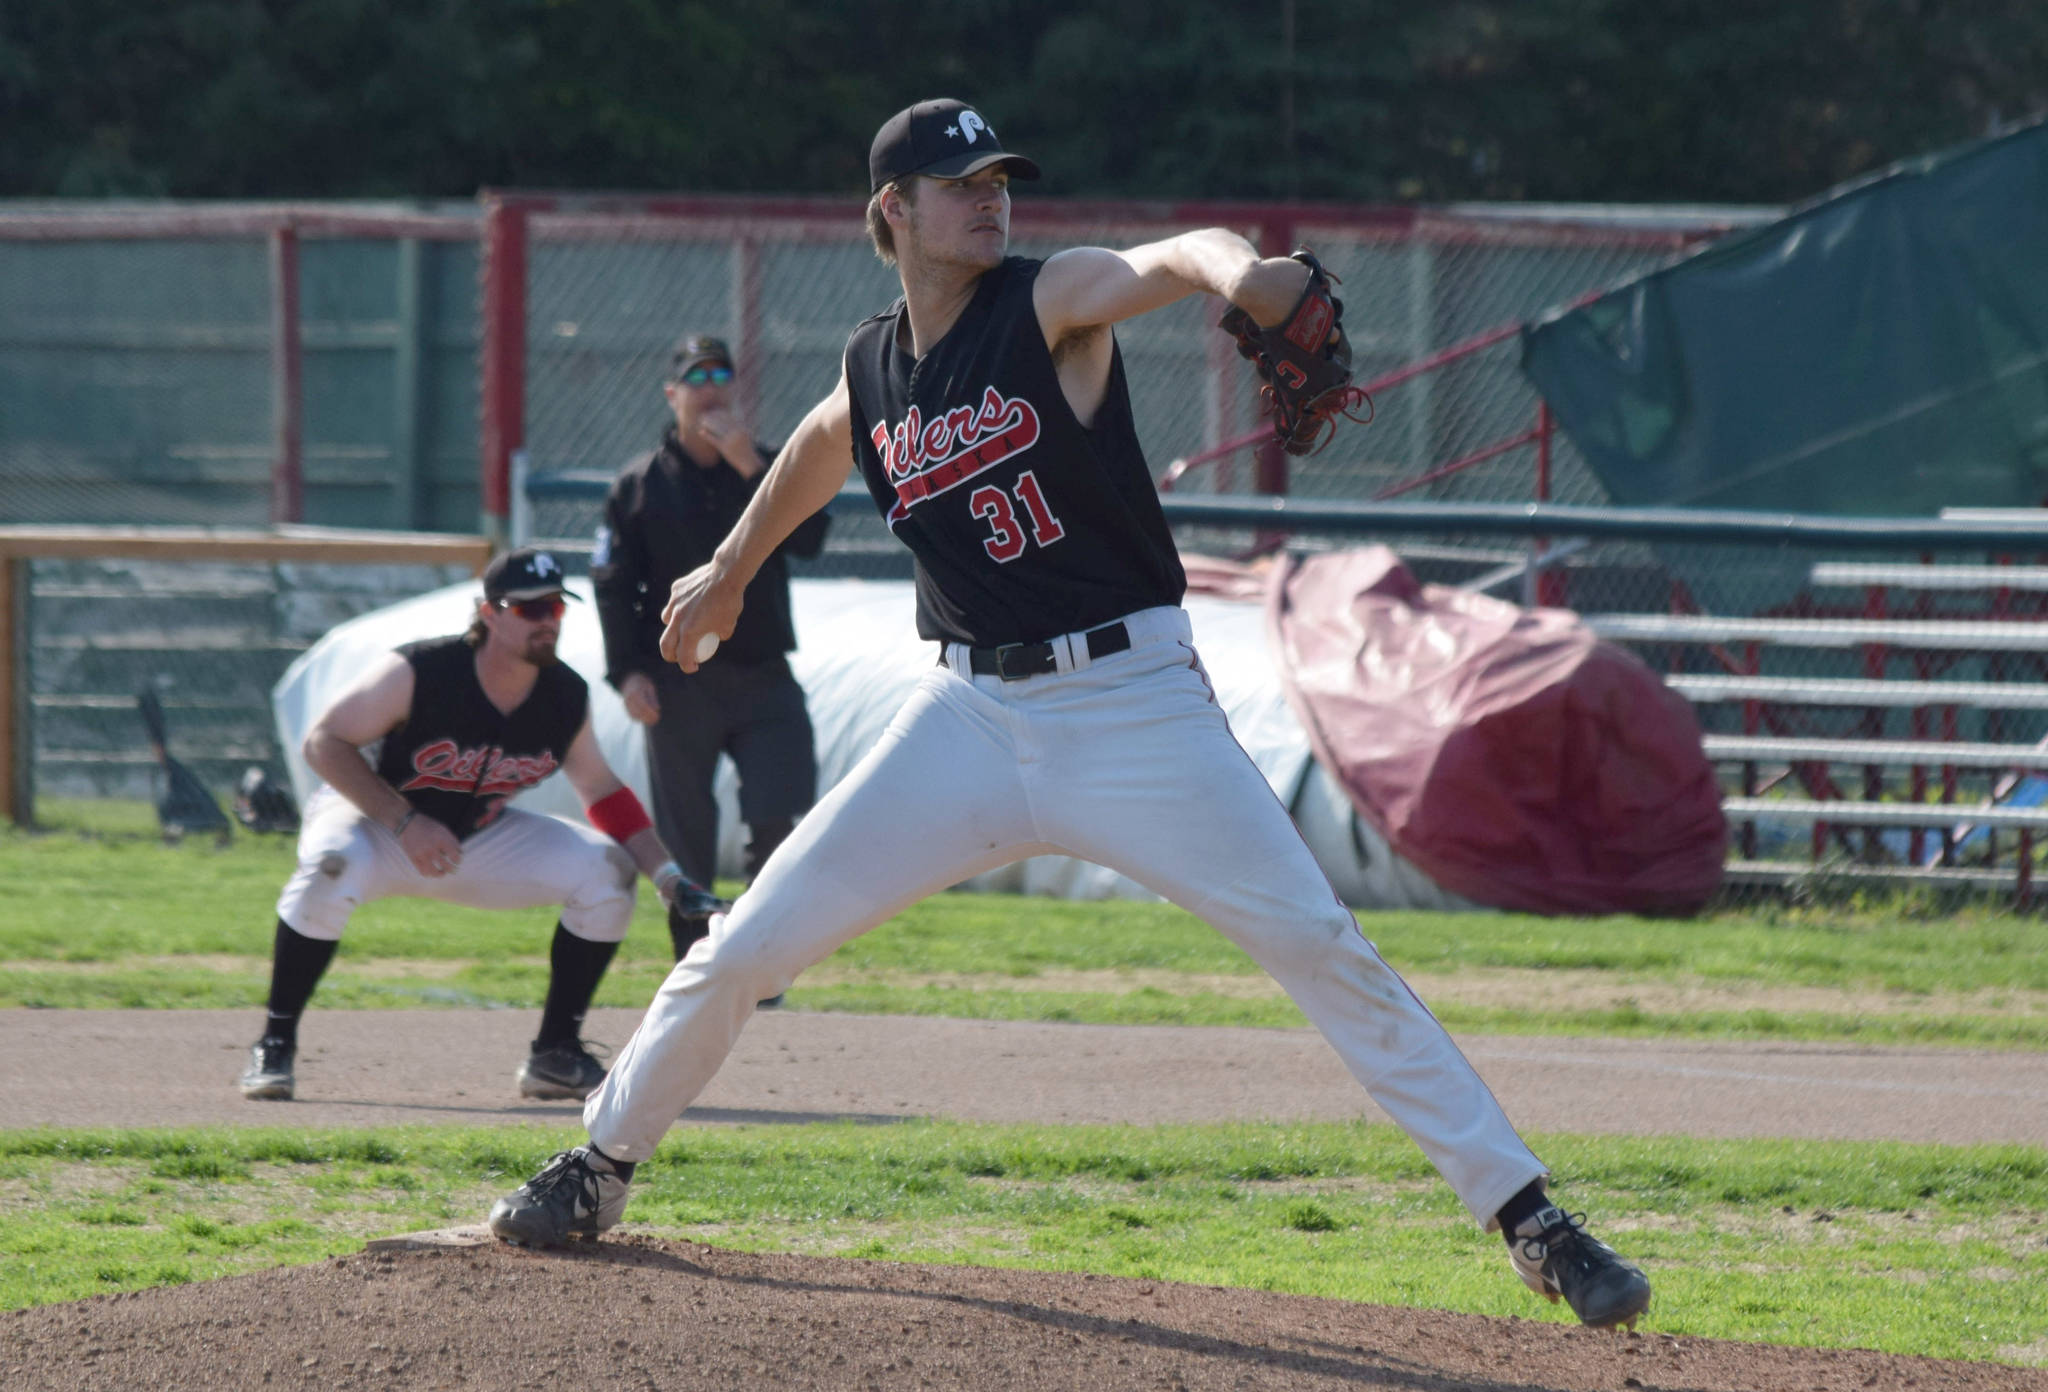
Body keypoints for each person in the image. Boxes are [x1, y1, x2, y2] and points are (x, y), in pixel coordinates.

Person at [488, 99, 1654, 1331]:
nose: (990, 197)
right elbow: (824, 447)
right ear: (892, 211)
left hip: (1134, 707)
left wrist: (1243, 273)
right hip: (964, 718)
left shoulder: (1044, 306)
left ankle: (1530, 1219)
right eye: (958, 183)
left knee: (1322, 950)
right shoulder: (872, 363)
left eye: (999, 178)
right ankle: (596, 1166)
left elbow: (1166, 258)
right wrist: (725, 572)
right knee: (746, 945)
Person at [237, 546, 709, 1104]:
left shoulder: (563, 694)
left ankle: (555, 1053)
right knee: (332, 865)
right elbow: (324, 743)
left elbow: (602, 790)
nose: (547, 621)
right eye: (530, 609)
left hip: (477, 836)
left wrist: (669, 876)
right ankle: (275, 1042)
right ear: (489, 613)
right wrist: (403, 820)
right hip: (373, 819)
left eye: (556, 608)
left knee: (608, 871)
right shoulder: (421, 671)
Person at [591, 333, 831, 974]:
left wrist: (752, 465)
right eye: (696, 378)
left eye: (721, 374)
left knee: (780, 819)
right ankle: (695, 969)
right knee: (685, 838)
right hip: (678, 680)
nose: (711, 388)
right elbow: (613, 585)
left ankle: (761, 964)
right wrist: (627, 673)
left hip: (763, 674)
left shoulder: (767, 466)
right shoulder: (639, 485)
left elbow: (812, 540)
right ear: (672, 396)